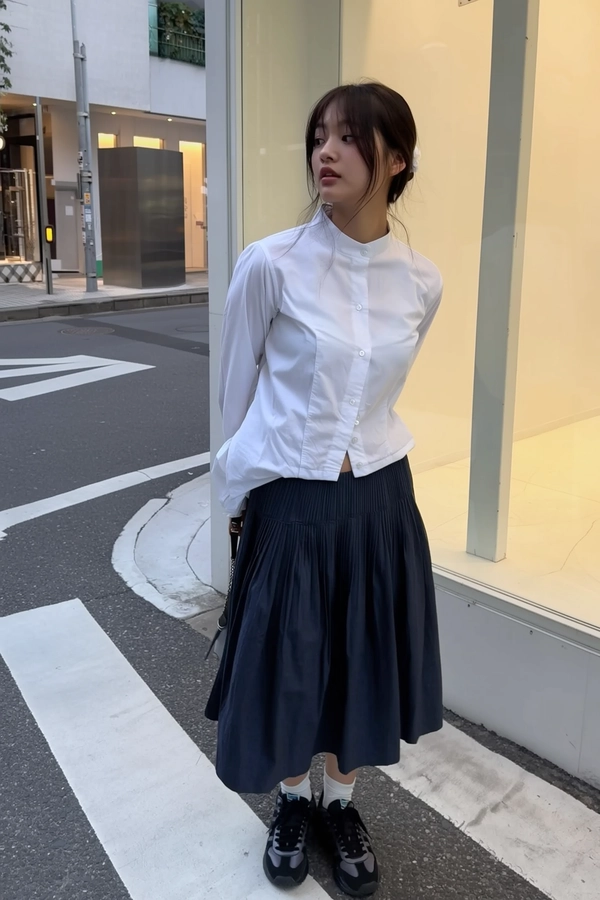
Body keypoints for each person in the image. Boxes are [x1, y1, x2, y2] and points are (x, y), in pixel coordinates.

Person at [206, 81, 443, 897]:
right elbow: (235, 399)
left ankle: (340, 803)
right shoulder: (269, 264)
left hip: (379, 501)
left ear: (396, 158)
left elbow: (380, 397)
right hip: (291, 503)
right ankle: (293, 801)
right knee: (291, 665)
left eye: (348, 138)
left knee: (360, 662)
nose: (325, 152)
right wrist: (236, 504)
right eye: (319, 137)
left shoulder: (421, 281)